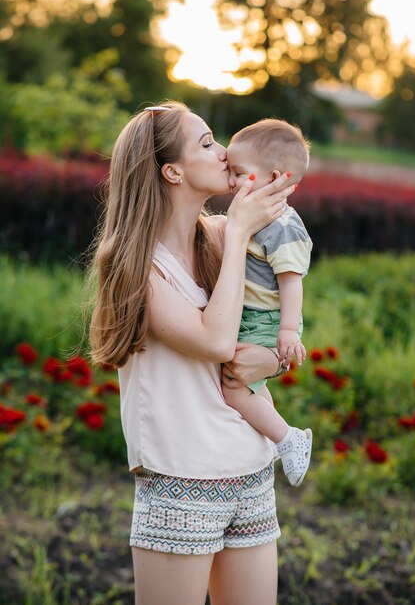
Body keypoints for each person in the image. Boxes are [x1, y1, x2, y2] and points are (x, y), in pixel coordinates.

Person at [88, 100, 296, 605]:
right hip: (182, 480)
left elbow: (279, 320)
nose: (225, 153)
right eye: (207, 143)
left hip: (249, 471)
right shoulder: (133, 264)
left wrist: (276, 359)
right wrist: (243, 228)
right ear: (172, 171)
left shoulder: (223, 237)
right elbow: (216, 341)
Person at [221, 118, 313, 488]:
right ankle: (274, 436)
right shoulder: (256, 219)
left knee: (233, 386)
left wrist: (288, 330)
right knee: (243, 383)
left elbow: (292, 282)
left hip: (269, 321)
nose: (232, 181)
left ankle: (288, 438)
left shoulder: (283, 226)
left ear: (275, 178)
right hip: (252, 316)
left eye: (240, 173)